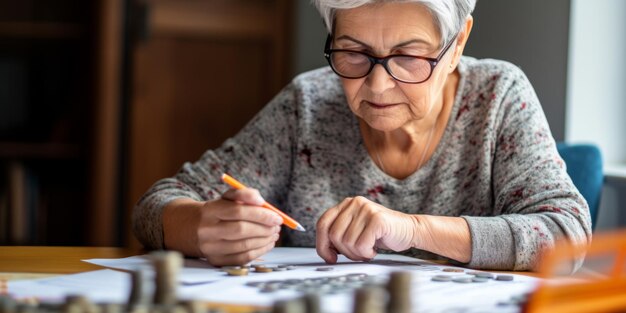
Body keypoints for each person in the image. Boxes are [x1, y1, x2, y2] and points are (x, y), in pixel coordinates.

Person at [132, 0, 591, 271]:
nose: (376, 86)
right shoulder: (308, 104)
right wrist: (199, 227)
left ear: (458, 45)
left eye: (409, 58)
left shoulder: (497, 96)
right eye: (352, 54)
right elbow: (156, 206)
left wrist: (411, 228)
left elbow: (567, 236)